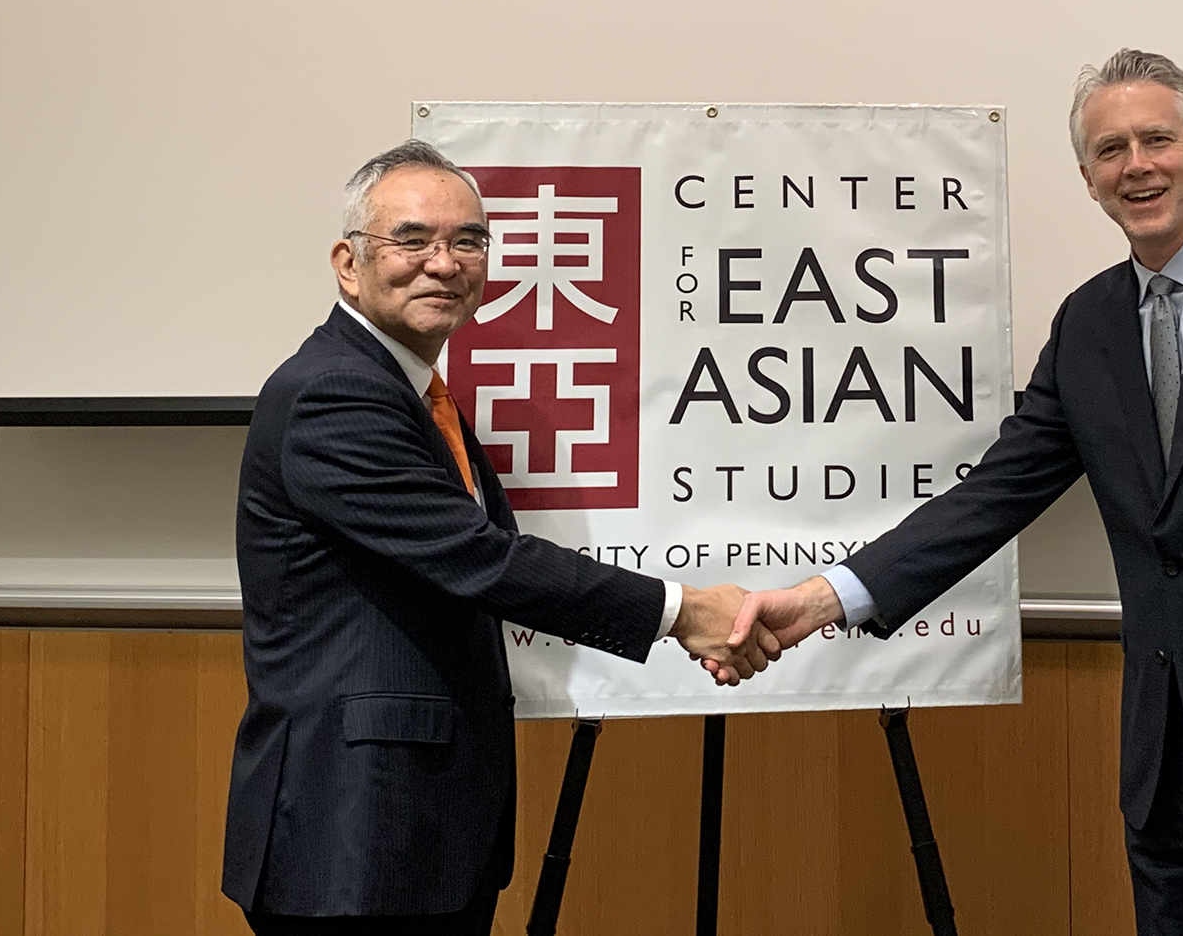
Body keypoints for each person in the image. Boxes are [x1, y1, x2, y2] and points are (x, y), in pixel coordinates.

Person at [725, 50, 1183, 933]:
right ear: (1089, 179)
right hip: (1163, 782)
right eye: (1111, 149)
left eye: (1158, 139)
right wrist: (825, 600)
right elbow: (994, 495)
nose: (1137, 164)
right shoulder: (1088, 322)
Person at [223, 140, 775, 935]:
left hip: (411, 826)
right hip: (352, 832)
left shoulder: (410, 389)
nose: (444, 263)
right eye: (411, 240)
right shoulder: (336, 394)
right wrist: (680, 610)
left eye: (468, 240)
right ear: (348, 262)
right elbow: (478, 560)